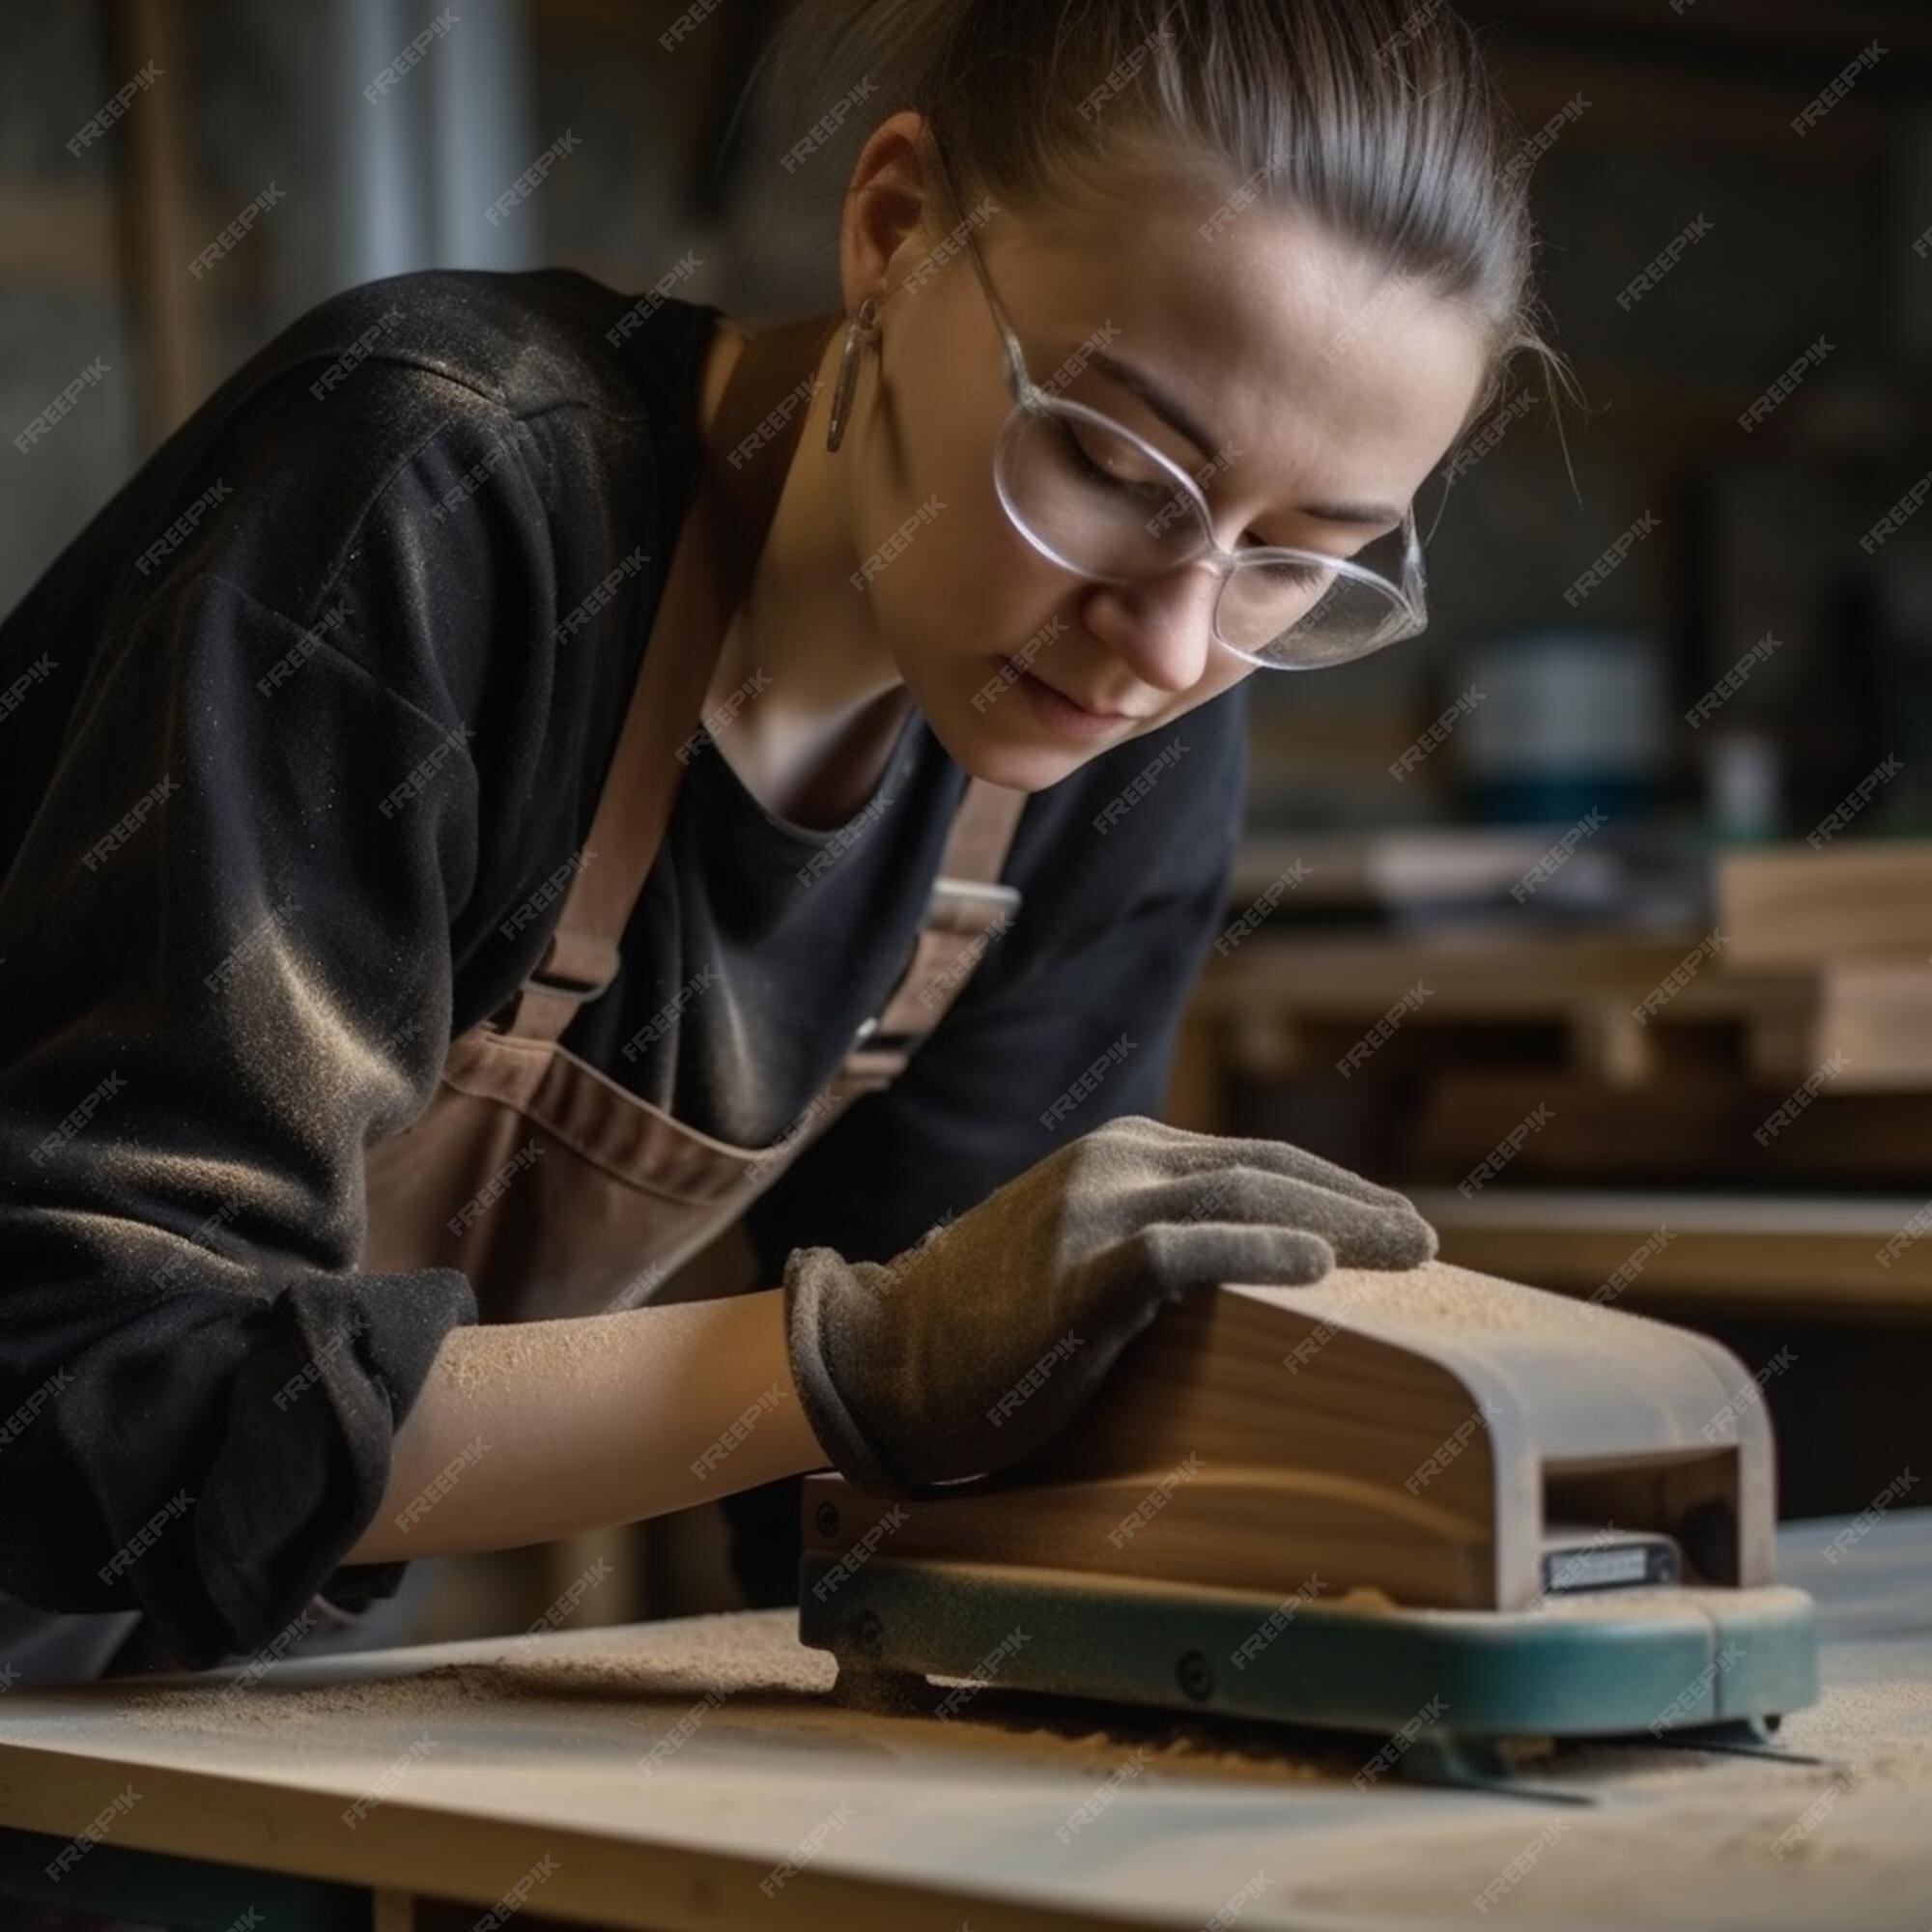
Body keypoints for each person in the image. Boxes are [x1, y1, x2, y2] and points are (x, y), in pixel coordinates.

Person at [0, 0, 1553, 1700]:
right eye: (1113, 464)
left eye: (1300, 563)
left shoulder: (1111, 761)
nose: (1176, 645)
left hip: (190, 1710)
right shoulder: (447, 497)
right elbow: (81, 1387)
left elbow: (890, 1516)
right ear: (892, 230)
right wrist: (847, 1360)